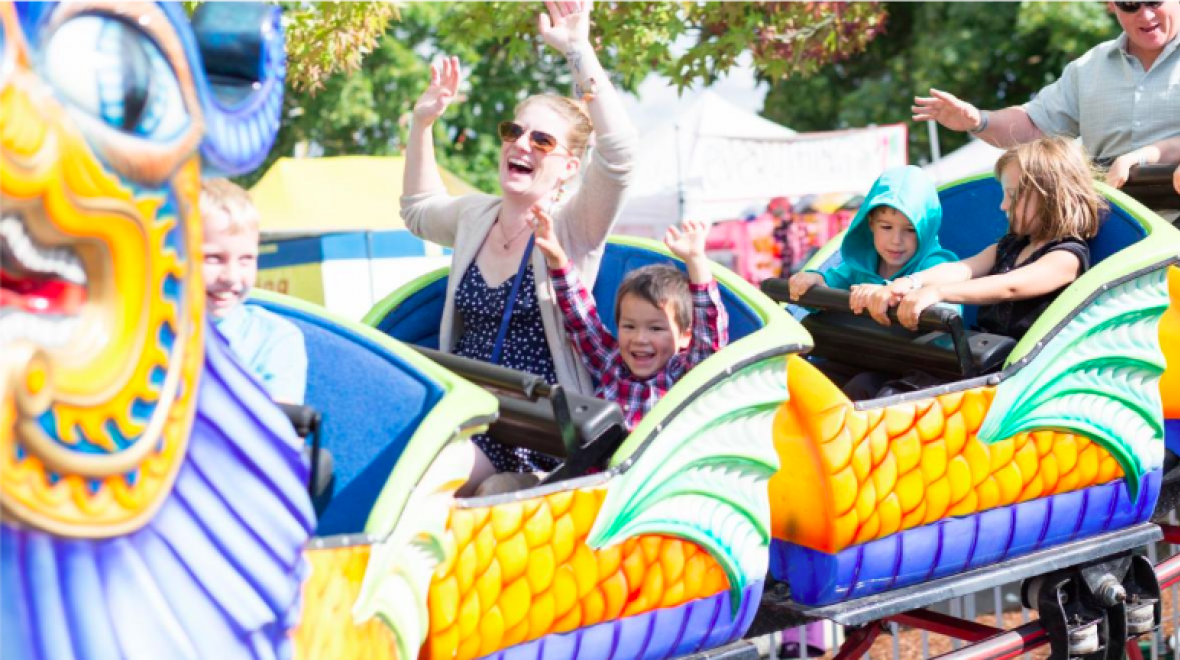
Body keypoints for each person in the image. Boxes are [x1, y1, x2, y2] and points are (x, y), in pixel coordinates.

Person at [401, 0, 636, 480]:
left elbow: (620, 157)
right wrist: (422, 124)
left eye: (542, 140)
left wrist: (579, 51)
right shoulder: (475, 216)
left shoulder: (573, 226)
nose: (521, 144)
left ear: (568, 167)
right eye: (514, 131)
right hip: (467, 415)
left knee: (433, 473)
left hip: (536, 435)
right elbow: (419, 210)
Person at [866, 137, 1104, 343]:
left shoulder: (1066, 257)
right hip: (983, 351)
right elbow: (962, 269)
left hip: (1022, 366)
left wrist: (937, 292)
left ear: (1053, 196)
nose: (1003, 206)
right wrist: (911, 282)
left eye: (1013, 195)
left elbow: (1009, 286)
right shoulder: (1010, 246)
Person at [913, 1, 1180, 164]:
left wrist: (1144, 157)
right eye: (1130, 4)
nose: (1145, 15)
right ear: (1111, 5)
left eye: (1154, 2)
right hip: (1116, 221)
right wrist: (979, 121)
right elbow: (1033, 127)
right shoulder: (1087, 69)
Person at [534, 207, 728, 430]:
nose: (639, 338)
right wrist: (557, 260)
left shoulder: (682, 374)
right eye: (629, 326)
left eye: (655, 328)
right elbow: (582, 320)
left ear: (685, 336)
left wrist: (696, 261)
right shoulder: (612, 362)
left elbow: (709, 338)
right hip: (601, 452)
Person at [785, 166, 958, 307]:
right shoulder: (861, 264)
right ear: (871, 224)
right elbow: (829, 285)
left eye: (910, 230)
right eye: (886, 227)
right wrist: (815, 280)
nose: (896, 240)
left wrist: (886, 293)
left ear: (927, 231)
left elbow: (945, 306)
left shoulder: (937, 266)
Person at [201, 179, 308, 404]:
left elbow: (275, 421)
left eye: (246, 259)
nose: (231, 277)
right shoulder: (139, 331)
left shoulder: (273, 338)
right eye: (213, 258)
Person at [1105, 134, 1180, 187]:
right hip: (1111, 175)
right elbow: (1171, 149)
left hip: (1166, 181)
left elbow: (1172, 149)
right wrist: (1128, 159)